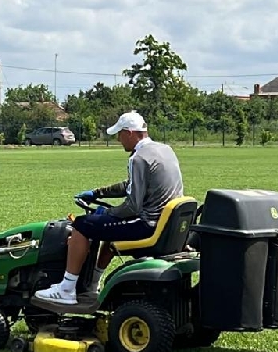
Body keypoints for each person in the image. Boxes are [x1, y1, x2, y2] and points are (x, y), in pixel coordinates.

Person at [35, 110, 184, 305]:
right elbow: (130, 185)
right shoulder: (165, 149)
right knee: (108, 228)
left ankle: (67, 289)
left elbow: (132, 207)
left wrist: (106, 212)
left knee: (81, 225)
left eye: (120, 135)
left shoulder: (138, 158)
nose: (119, 140)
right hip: (165, 223)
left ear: (130, 132)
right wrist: (98, 193)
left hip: (148, 224)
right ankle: (92, 286)